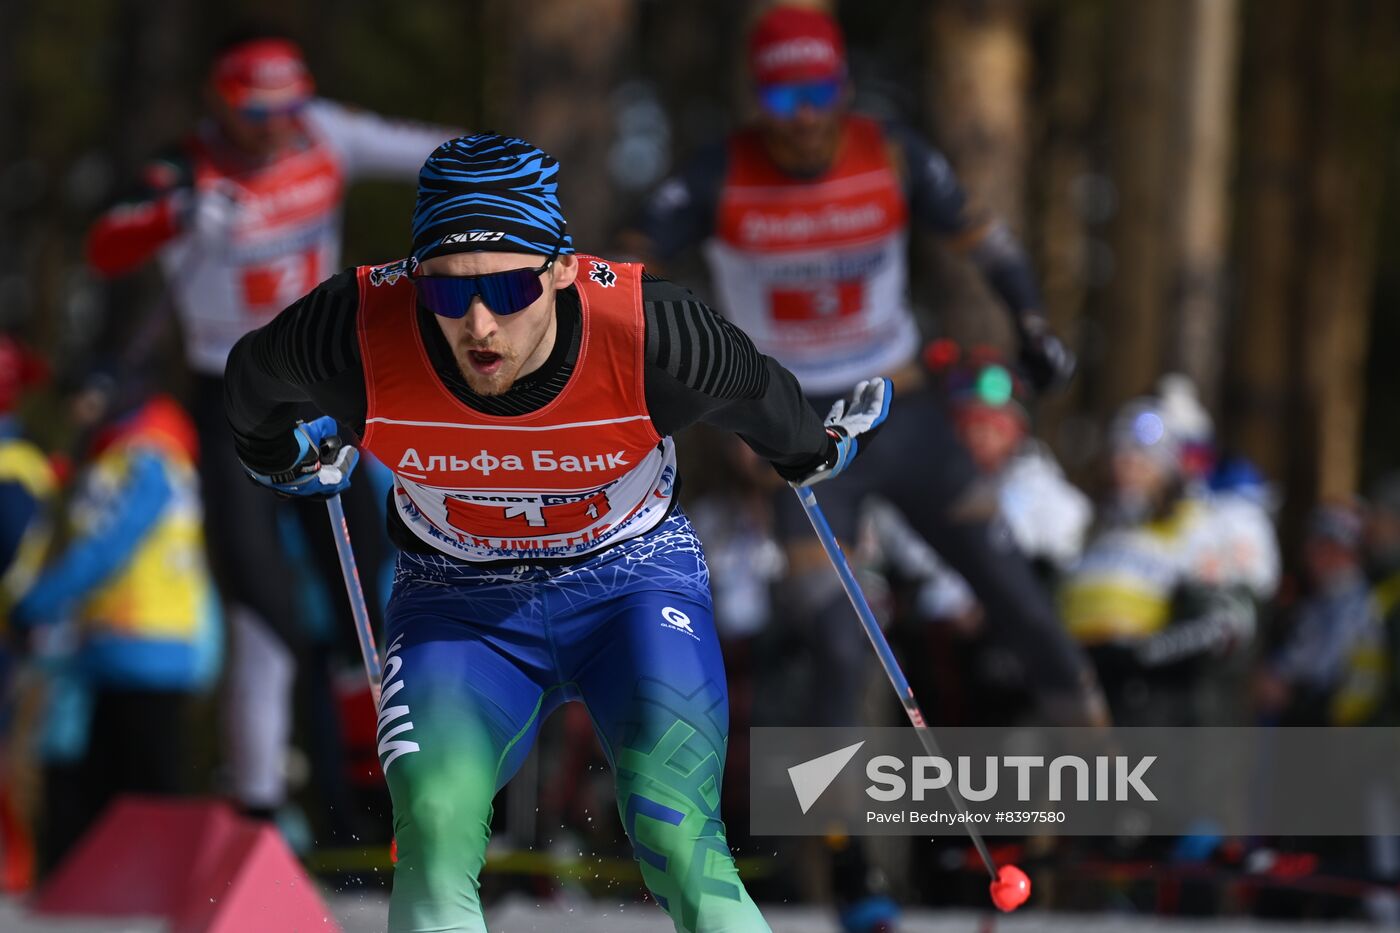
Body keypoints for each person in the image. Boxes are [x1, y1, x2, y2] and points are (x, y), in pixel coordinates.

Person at [224, 132, 892, 933]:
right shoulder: (352, 328)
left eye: (509, 289)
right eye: (445, 293)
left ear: (563, 268)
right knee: (432, 835)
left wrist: (817, 451)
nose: (478, 325)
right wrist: (285, 456)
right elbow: (248, 387)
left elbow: (772, 404)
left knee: (677, 835)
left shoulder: (657, 336)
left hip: (631, 584)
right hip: (456, 602)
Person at [624, 9, 1098, 926]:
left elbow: (988, 240)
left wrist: (1033, 322)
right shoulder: (720, 169)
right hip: (798, 429)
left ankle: (1092, 822)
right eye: (779, 96)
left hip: (907, 410)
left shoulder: (891, 154)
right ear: (756, 98)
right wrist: (702, 387)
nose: (800, 116)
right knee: (840, 646)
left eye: (817, 94)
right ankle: (851, 872)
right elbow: (624, 270)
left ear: (842, 88)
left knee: (1013, 593)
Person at [84, 31, 458, 824]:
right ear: (222, 105)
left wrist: (500, 165)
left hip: (319, 387)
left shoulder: (325, 132)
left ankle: (390, 792)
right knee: (266, 613)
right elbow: (106, 243)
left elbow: (430, 150)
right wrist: (174, 214)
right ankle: (260, 805)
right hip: (227, 401)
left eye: (289, 106)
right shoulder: (185, 166)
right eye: (257, 113)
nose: (278, 127)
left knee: (369, 594)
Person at [11, 393, 219, 870]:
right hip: (151, 646)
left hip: (134, 642)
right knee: (135, 784)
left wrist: (36, 603)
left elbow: (104, 549)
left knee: (128, 787)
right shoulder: (168, 461)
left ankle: (148, 888)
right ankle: (136, 887)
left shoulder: (140, 462)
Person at [1060, 395, 1260, 725]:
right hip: (1083, 701)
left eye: (1142, 462)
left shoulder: (1195, 525)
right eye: (1121, 457)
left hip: (1154, 705)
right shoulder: (1091, 527)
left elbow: (1230, 621)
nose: (1128, 468)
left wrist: (1145, 654)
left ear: (1166, 470)